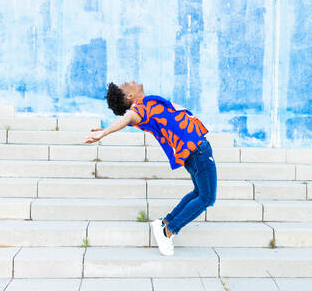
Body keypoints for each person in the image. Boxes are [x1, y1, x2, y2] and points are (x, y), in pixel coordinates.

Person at [84, 81, 217, 256]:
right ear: (130, 96)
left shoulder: (145, 108)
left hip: (195, 151)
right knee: (207, 197)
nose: (130, 81)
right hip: (197, 151)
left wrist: (106, 129)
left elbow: (128, 121)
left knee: (199, 193)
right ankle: (168, 231)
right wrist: (104, 132)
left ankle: (166, 222)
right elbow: (127, 118)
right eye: (126, 84)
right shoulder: (139, 108)